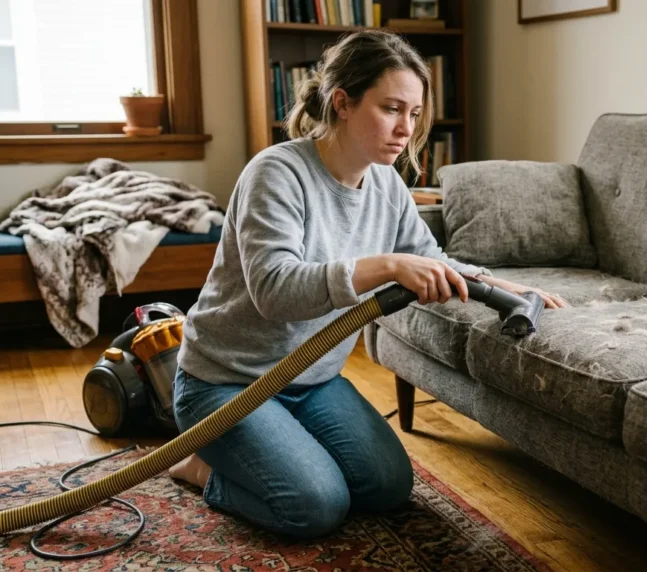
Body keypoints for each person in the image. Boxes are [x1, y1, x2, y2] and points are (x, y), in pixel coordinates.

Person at [169, 29, 566, 538]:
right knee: (315, 505)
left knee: (387, 487)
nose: (406, 128)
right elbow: (275, 291)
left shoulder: (386, 184)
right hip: (227, 383)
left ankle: (272, 449)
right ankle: (200, 468)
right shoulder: (276, 173)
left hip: (311, 382)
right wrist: (388, 266)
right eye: (392, 108)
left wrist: (508, 290)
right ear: (343, 103)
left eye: (415, 113)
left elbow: (429, 259)